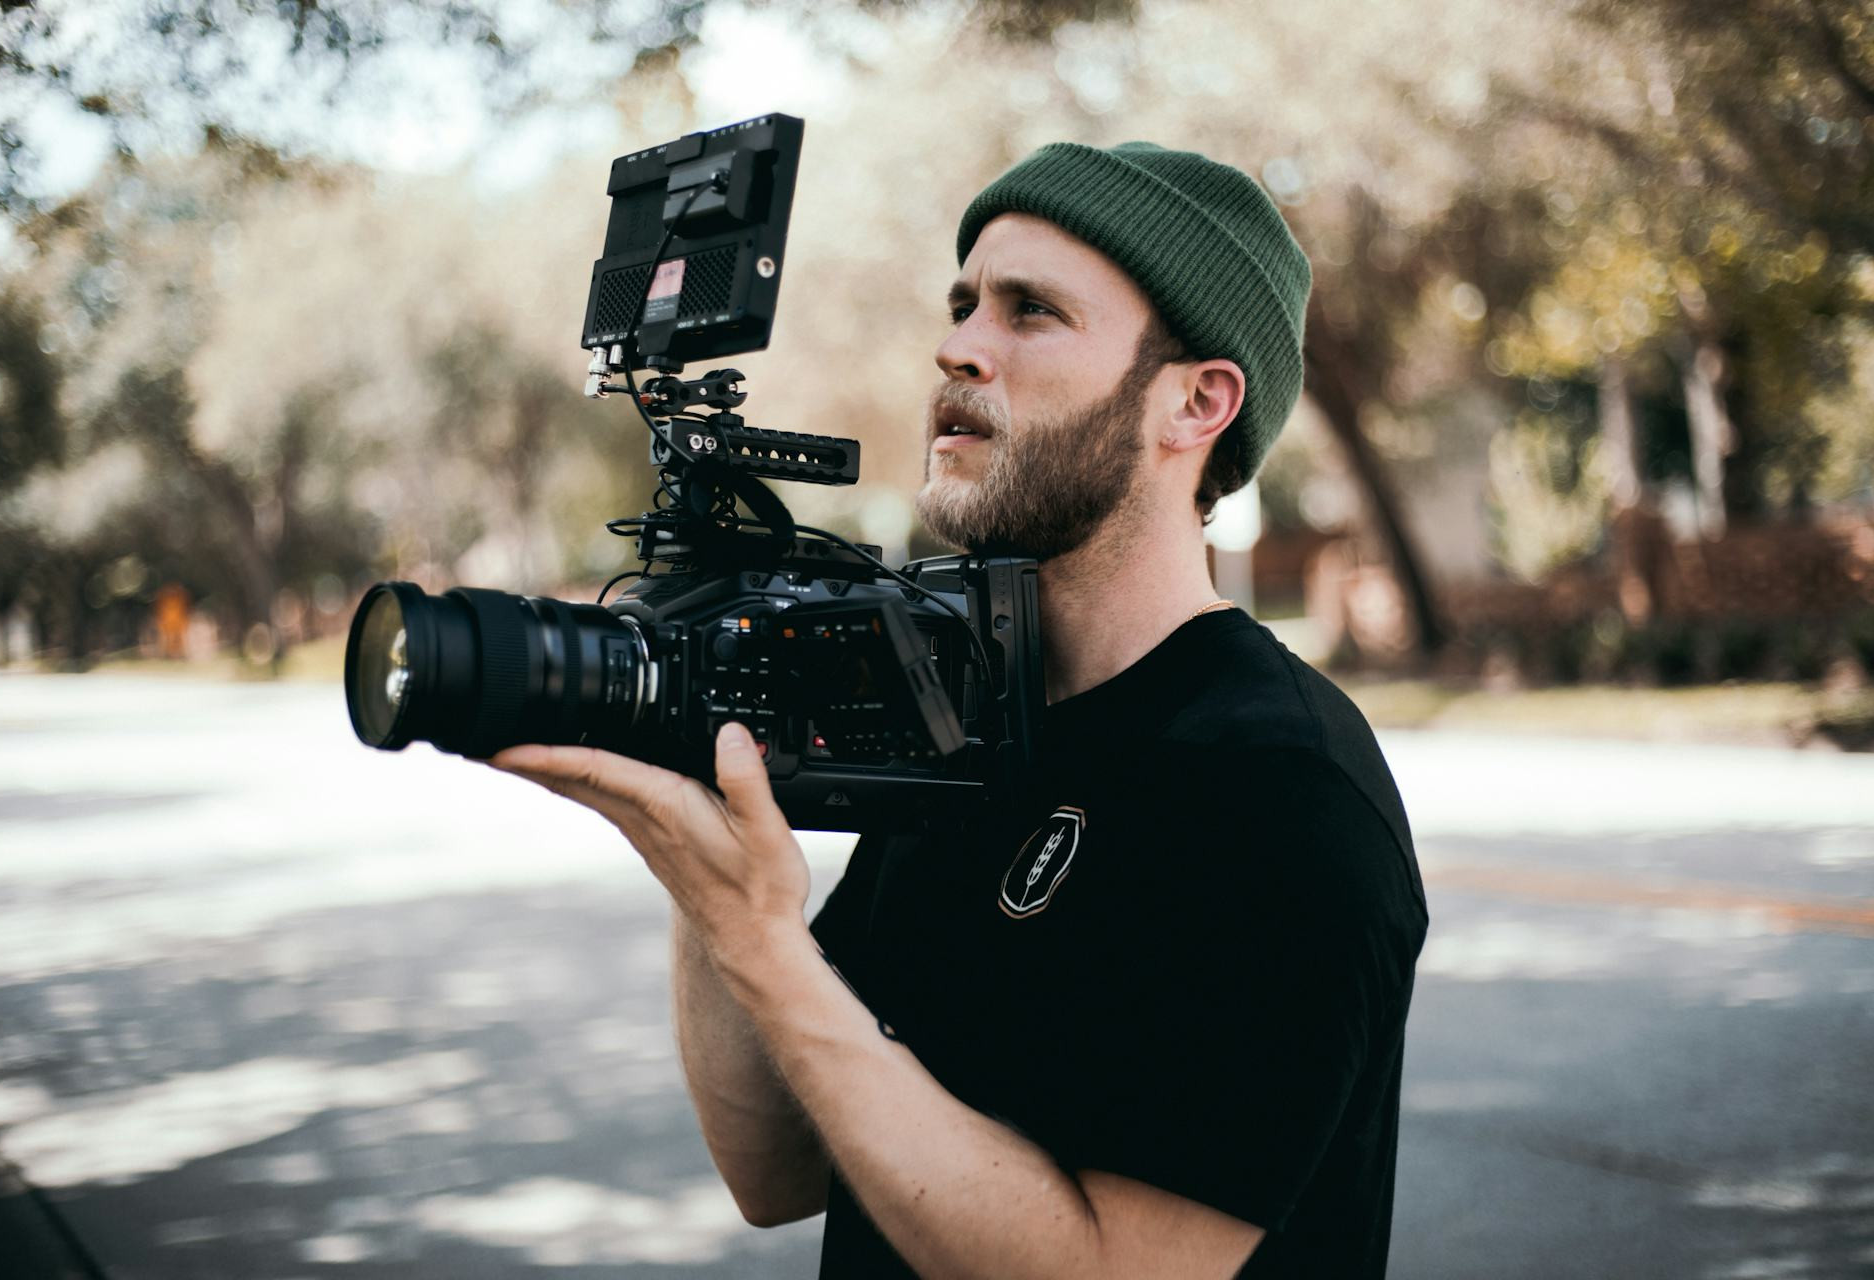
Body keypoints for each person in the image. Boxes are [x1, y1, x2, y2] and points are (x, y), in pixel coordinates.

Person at [490, 141, 1429, 1278]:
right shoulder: (962, 721)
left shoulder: (1272, 783)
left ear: (1197, 402)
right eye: (963, 304)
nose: (958, 347)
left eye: (1031, 311)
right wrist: (706, 866)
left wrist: (764, 939)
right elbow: (776, 1169)